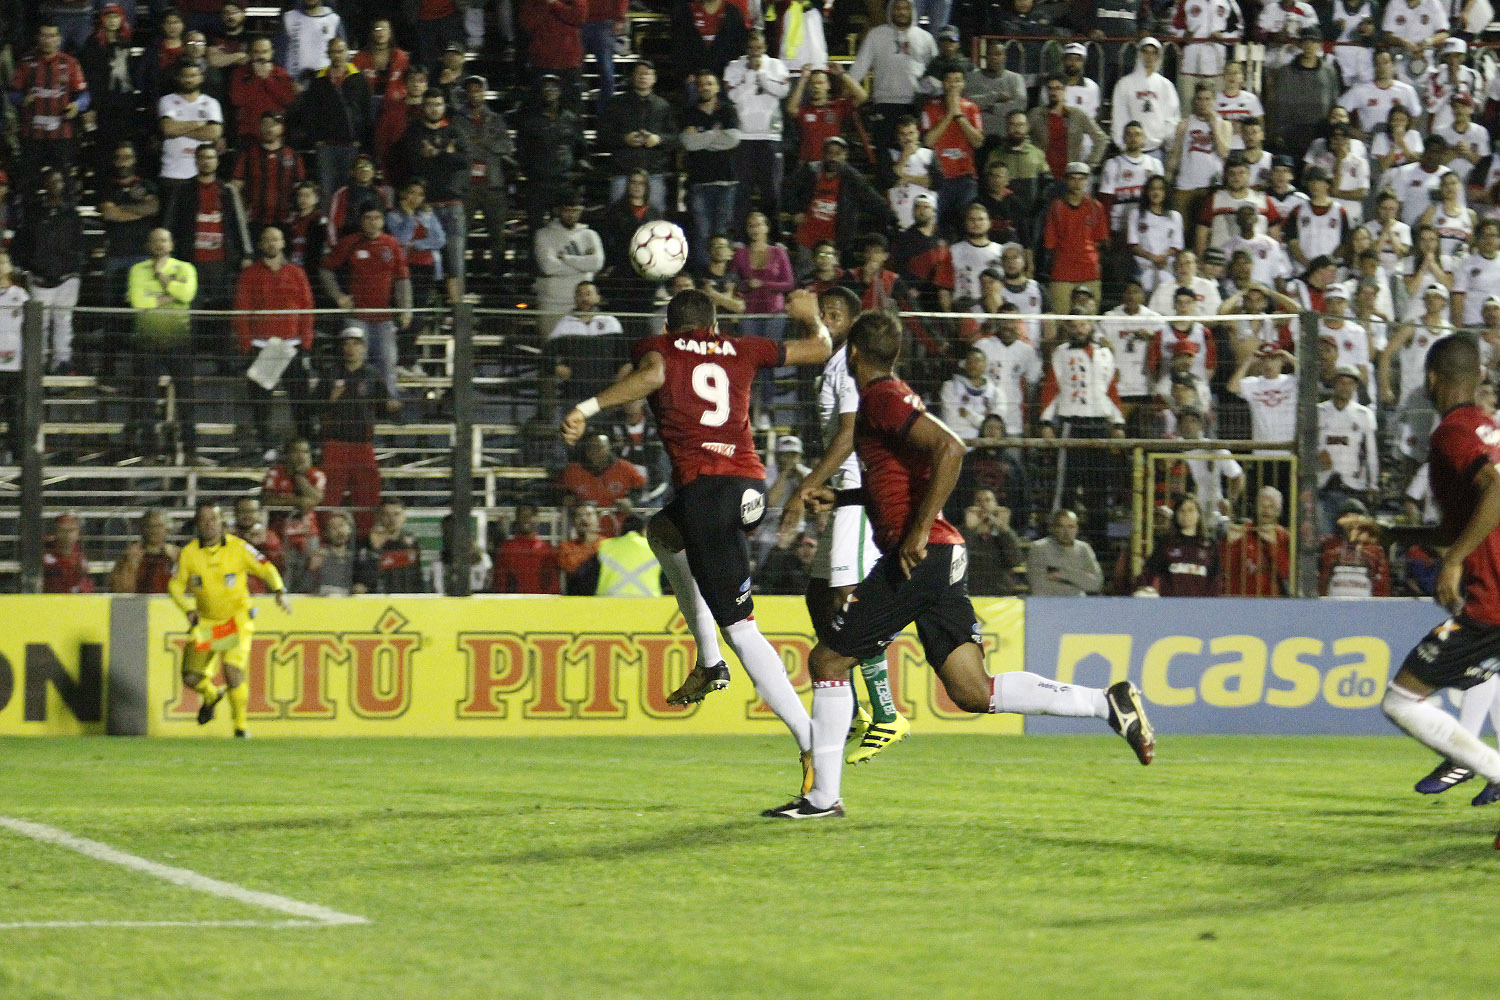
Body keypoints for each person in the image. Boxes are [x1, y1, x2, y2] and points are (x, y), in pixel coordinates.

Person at [766, 311, 1154, 819]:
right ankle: (1109, 703)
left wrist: (921, 529)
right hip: (938, 555)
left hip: (922, 554)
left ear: (853, 354)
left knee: (828, 661)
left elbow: (952, 448)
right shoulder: (883, 399)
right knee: (973, 691)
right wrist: (840, 499)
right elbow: (897, 480)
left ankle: (823, 798)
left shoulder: (882, 396)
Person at [560, 287, 833, 796]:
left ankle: (812, 743)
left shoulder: (659, 348)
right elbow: (819, 348)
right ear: (712, 324)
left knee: (744, 630)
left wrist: (587, 406)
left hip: (711, 496)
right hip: (749, 487)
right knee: (663, 534)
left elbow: (652, 377)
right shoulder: (744, 346)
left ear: (671, 324)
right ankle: (709, 663)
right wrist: (811, 317)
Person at [777, 286, 910, 764]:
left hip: (856, 493)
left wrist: (807, 484)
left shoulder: (849, 371)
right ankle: (852, 700)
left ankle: (885, 710)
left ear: (852, 327)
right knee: (818, 596)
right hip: (842, 497)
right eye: (824, 314)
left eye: (836, 316)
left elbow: (852, 433)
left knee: (847, 601)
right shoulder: (832, 366)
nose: (827, 321)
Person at [1377, 335, 1500, 831]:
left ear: (1432, 378)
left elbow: (1495, 493)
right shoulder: (1488, 428)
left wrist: (1453, 562)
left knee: (1401, 700)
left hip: (1492, 599)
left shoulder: (1453, 429)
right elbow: (1474, 514)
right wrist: (1394, 532)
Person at [169, 502, 291, 738]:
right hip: (209, 624)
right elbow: (175, 585)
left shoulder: (238, 548)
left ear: (222, 523)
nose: (209, 524)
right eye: (204, 520)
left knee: (232, 669)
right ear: (197, 524)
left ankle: (241, 727)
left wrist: (278, 590)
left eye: (213, 519)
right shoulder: (189, 554)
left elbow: (265, 567)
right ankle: (212, 694)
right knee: (191, 677)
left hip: (237, 619)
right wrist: (187, 607)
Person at [234, 226, 316, 456]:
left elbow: (307, 309)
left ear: (283, 244)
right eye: (267, 240)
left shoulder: (297, 273)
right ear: (261, 245)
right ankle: (267, 447)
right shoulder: (250, 275)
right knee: (262, 404)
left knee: (301, 403)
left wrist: (307, 345)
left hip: (291, 345)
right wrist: (247, 346)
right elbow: (241, 311)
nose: (271, 244)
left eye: (276, 239)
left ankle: (305, 449)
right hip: (263, 346)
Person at [125, 228, 199, 463]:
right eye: (155, 240)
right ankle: (149, 451)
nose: (160, 244)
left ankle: (190, 450)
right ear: (148, 245)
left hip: (179, 338)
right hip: (148, 338)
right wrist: (170, 295)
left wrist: (161, 280)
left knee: (186, 398)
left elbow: (187, 295)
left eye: (164, 240)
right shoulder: (137, 269)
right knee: (146, 397)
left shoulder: (185, 268)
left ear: (172, 244)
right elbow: (138, 301)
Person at [321, 206, 412, 396]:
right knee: (355, 362)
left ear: (382, 221)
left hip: (383, 316)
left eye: (377, 217)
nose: (373, 222)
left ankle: (387, 404)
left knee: (387, 362)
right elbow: (325, 269)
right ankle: (357, 405)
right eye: (368, 217)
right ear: (361, 221)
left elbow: (402, 279)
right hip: (357, 315)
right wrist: (338, 296)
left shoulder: (391, 244)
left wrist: (406, 309)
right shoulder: (350, 243)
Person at [319, 326, 398, 539]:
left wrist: (393, 407)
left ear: (364, 348)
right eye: (347, 344)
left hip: (363, 445)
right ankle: (327, 538)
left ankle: (365, 539)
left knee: (367, 494)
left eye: (355, 344)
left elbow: (385, 408)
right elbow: (311, 407)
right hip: (335, 443)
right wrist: (330, 399)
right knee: (329, 497)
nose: (351, 348)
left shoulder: (372, 376)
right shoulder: (330, 374)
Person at [14, 167, 83, 375]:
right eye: (51, 181)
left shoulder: (71, 214)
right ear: (44, 185)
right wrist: (28, 268)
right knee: (39, 324)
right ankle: (39, 363)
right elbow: (23, 242)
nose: (55, 185)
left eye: (59, 181)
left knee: (63, 322)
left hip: (67, 277)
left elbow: (78, 245)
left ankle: (61, 362)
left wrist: (74, 269)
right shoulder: (34, 213)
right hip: (39, 278)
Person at [12, 23, 90, 185]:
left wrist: (77, 105)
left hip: (62, 135)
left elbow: (84, 94)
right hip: (32, 135)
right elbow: (13, 93)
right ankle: (32, 210)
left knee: (64, 181)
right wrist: (22, 99)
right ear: (38, 38)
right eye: (44, 36)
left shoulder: (70, 63)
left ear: (59, 39)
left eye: (52, 36)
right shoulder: (25, 63)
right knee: (29, 182)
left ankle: (66, 210)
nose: (48, 40)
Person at [1138, 496, 1219, 596]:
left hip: (1200, 607)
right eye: (1182, 510)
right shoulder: (1166, 543)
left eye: (1191, 510)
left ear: (1198, 514)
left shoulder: (1209, 545)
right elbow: (1150, 572)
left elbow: (1215, 580)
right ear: (1176, 515)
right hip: (1170, 606)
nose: (1186, 514)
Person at [1027, 508, 1103, 596]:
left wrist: (1061, 574)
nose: (1066, 532)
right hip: (1049, 604)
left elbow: (1096, 584)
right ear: (1053, 528)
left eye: (1071, 527)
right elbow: (1038, 587)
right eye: (1061, 526)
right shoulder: (1039, 548)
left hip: (1079, 604)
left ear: (1077, 528)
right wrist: (1081, 576)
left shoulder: (1084, 548)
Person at [359, 498, 425, 594]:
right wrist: (375, 549)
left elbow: (417, 575)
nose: (392, 519)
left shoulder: (411, 543)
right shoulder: (367, 542)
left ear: (404, 517)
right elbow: (364, 579)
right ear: (379, 517)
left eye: (396, 514)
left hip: (407, 599)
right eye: (386, 514)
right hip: (378, 600)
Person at [108, 509, 180, 594]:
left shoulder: (176, 555)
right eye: (150, 526)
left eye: (159, 526)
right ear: (143, 529)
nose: (154, 531)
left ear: (167, 530)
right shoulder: (131, 555)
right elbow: (121, 589)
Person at [493, 503, 560, 594]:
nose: (526, 519)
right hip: (514, 604)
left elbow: (552, 583)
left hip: (541, 605)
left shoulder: (547, 549)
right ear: (517, 519)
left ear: (537, 519)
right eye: (522, 516)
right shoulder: (506, 548)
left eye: (530, 516)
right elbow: (500, 582)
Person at [595, 515, 662, 596]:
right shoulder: (655, 547)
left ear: (621, 530)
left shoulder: (605, 546)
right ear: (643, 530)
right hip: (650, 601)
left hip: (610, 601)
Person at [42, 514, 95, 594]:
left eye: (71, 530)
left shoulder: (80, 556)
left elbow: (87, 589)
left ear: (78, 532)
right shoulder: (44, 554)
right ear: (55, 532)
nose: (67, 535)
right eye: (63, 530)